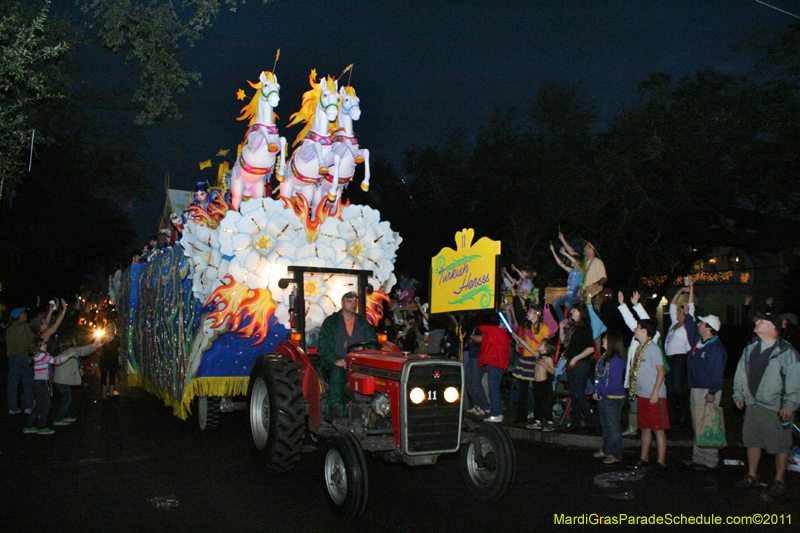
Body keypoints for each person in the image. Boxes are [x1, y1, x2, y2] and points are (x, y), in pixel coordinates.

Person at [733, 312, 800, 501]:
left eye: (762, 321)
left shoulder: (787, 352)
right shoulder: (750, 348)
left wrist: (789, 404)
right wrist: (739, 394)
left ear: (773, 328)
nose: (758, 322)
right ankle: (752, 476)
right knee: (752, 441)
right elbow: (740, 373)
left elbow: (795, 380)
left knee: (780, 445)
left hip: (776, 407)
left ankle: (779, 480)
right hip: (753, 405)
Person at [318, 291, 378, 421]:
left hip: (359, 363)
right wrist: (335, 360)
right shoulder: (330, 322)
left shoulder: (363, 323)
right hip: (335, 362)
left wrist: (365, 348)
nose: (353, 304)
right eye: (349, 301)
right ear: (342, 303)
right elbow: (324, 347)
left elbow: (373, 342)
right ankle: (335, 409)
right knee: (338, 373)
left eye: (354, 302)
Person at [682, 307, 727, 471]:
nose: (698, 324)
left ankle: (710, 461)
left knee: (708, 424)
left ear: (709, 328)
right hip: (698, 389)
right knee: (699, 424)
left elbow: (717, 373)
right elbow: (691, 330)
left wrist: (712, 392)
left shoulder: (714, 348)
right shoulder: (701, 343)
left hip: (707, 391)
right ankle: (699, 458)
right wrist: (688, 315)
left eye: (701, 323)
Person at [618, 291, 661, 437]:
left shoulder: (653, 338)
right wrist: (623, 305)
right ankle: (633, 427)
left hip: (647, 382)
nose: (635, 328)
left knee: (645, 407)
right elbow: (631, 321)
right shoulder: (637, 339)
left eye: (639, 326)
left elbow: (644, 323)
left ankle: (645, 429)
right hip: (635, 378)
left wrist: (637, 306)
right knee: (633, 402)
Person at [629, 319, 668, 473]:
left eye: (637, 327)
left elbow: (661, 371)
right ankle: (643, 458)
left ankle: (661, 462)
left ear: (644, 330)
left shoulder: (653, 348)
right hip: (642, 394)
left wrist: (655, 392)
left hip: (654, 396)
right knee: (645, 428)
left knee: (658, 429)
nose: (635, 329)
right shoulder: (640, 348)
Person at [24, 339, 79, 434]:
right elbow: (57, 361)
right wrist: (69, 355)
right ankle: (41, 427)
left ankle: (29, 426)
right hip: (41, 383)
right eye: (42, 345)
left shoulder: (38, 355)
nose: (45, 345)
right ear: (38, 347)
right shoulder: (43, 355)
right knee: (46, 404)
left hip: (38, 382)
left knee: (39, 405)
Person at [509, 307, 550, 424]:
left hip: (536, 360)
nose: (528, 314)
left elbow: (545, 345)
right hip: (525, 359)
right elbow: (525, 341)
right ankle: (522, 416)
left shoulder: (543, 327)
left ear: (537, 314)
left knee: (538, 390)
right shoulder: (527, 326)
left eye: (530, 312)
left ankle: (538, 416)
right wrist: (520, 345)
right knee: (522, 389)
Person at [559, 304, 597, 432]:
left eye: (574, 310)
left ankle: (590, 423)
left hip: (580, 364)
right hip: (572, 363)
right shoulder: (574, 327)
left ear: (581, 312)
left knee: (578, 394)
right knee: (574, 394)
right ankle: (576, 423)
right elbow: (564, 342)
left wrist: (576, 358)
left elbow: (591, 348)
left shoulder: (585, 327)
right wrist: (561, 329)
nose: (571, 312)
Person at [593, 330, 627, 464]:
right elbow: (599, 376)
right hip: (603, 397)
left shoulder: (616, 360)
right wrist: (597, 391)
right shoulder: (605, 357)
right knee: (605, 425)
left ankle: (615, 454)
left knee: (613, 427)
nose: (603, 341)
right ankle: (606, 450)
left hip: (612, 398)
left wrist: (602, 393)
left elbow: (614, 382)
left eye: (606, 339)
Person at [53, 335, 104, 425]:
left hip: (61, 379)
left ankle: (66, 416)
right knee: (67, 399)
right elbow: (83, 351)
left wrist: (95, 346)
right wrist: (94, 345)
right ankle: (58, 418)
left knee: (66, 397)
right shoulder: (71, 351)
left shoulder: (63, 351)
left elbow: (82, 351)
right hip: (62, 380)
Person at [664, 284, 695, 428]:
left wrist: (691, 288)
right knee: (669, 390)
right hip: (669, 359)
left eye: (681, 313)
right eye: (678, 313)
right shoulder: (674, 324)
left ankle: (685, 414)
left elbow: (692, 307)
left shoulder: (687, 326)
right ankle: (680, 412)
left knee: (678, 388)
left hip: (680, 358)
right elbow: (672, 305)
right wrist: (679, 291)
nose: (677, 314)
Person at [477, 317, 513, 423]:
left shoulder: (493, 330)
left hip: (495, 361)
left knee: (493, 389)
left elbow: (480, 324)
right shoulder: (506, 332)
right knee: (494, 388)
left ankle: (496, 413)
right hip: (501, 362)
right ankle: (497, 413)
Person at [6, 307, 35, 414]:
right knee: (27, 383)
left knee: (12, 385)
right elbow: (31, 342)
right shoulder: (26, 327)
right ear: (19, 316)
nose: (25, 314)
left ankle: (12, 407)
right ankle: (28, 407)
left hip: (12, 358)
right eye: (23, 313)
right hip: (24, 357)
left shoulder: (9, 329)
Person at [549, 235, 582, 320]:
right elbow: (560, 264)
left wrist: (566, 254)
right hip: (569, 294)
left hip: (576, 295)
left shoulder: (580, 271)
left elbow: (575, 261)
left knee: (567, 303)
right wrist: (553, 251)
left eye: (574, 262)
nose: (571, 262)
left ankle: (576, 319)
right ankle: (564, 321)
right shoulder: (571, 271)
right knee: (555, 303)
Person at [528, 337, 557, 431]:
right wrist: (519, 339)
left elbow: (553, 371)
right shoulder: (539, 356)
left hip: (544, 383)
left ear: (546, 348)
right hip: (537, 383)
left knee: (546, 402)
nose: (539, 344)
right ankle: (537, 420)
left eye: (541, 344)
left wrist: (544, 365)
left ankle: (549, 422)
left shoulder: (548, 359)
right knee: (538, 402)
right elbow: (529, 348)